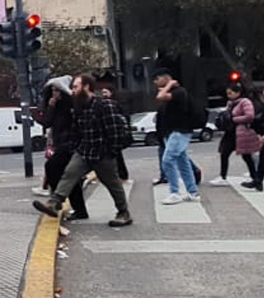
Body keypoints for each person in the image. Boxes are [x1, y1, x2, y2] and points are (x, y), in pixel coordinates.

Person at [32, 74, 132, 227]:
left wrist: (112, 151)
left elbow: (116, 132)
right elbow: (75, 130)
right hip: (84, 150)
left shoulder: (105, 105)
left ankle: (123, 212)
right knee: (69, 173)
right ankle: (54, 202)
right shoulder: (79, 107)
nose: (72, 90)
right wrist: (75, 147)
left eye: (75, 87)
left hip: (102, 153)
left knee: (112, 183)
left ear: (86, 87)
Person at [40, 76, 87, 219]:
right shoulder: (55, 107)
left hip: (71, 145)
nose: (54, 93)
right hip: (61, 145)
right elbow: (46, 122)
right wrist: (51, 106)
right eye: (53, 90)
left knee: (52, 167)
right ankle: (79, 210)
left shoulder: (71, 105)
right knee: (71, 178)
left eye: (57, 90)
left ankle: (56, 201)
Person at [153, 71, 201, 204]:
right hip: (171, 132)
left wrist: (168, 85)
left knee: (167, 160)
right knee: (183, 162)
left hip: (179, 131)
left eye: (157, 78)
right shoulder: (174, 92)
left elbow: (160, 97)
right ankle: (193, 192)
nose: (155, 82)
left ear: (166, 78)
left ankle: (175, 192)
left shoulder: (179, 92)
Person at [208, 82, 260, 185]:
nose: (228, 95)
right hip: (230, 131)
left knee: (246, 155)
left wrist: (234, 119)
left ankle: (254, 177)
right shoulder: (231, 103)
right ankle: (223, 177)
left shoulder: (245, 102)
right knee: (224, 153)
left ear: (238, 92)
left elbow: (250, 116)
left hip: (241, 132)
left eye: (230, 93)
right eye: (227, 93)